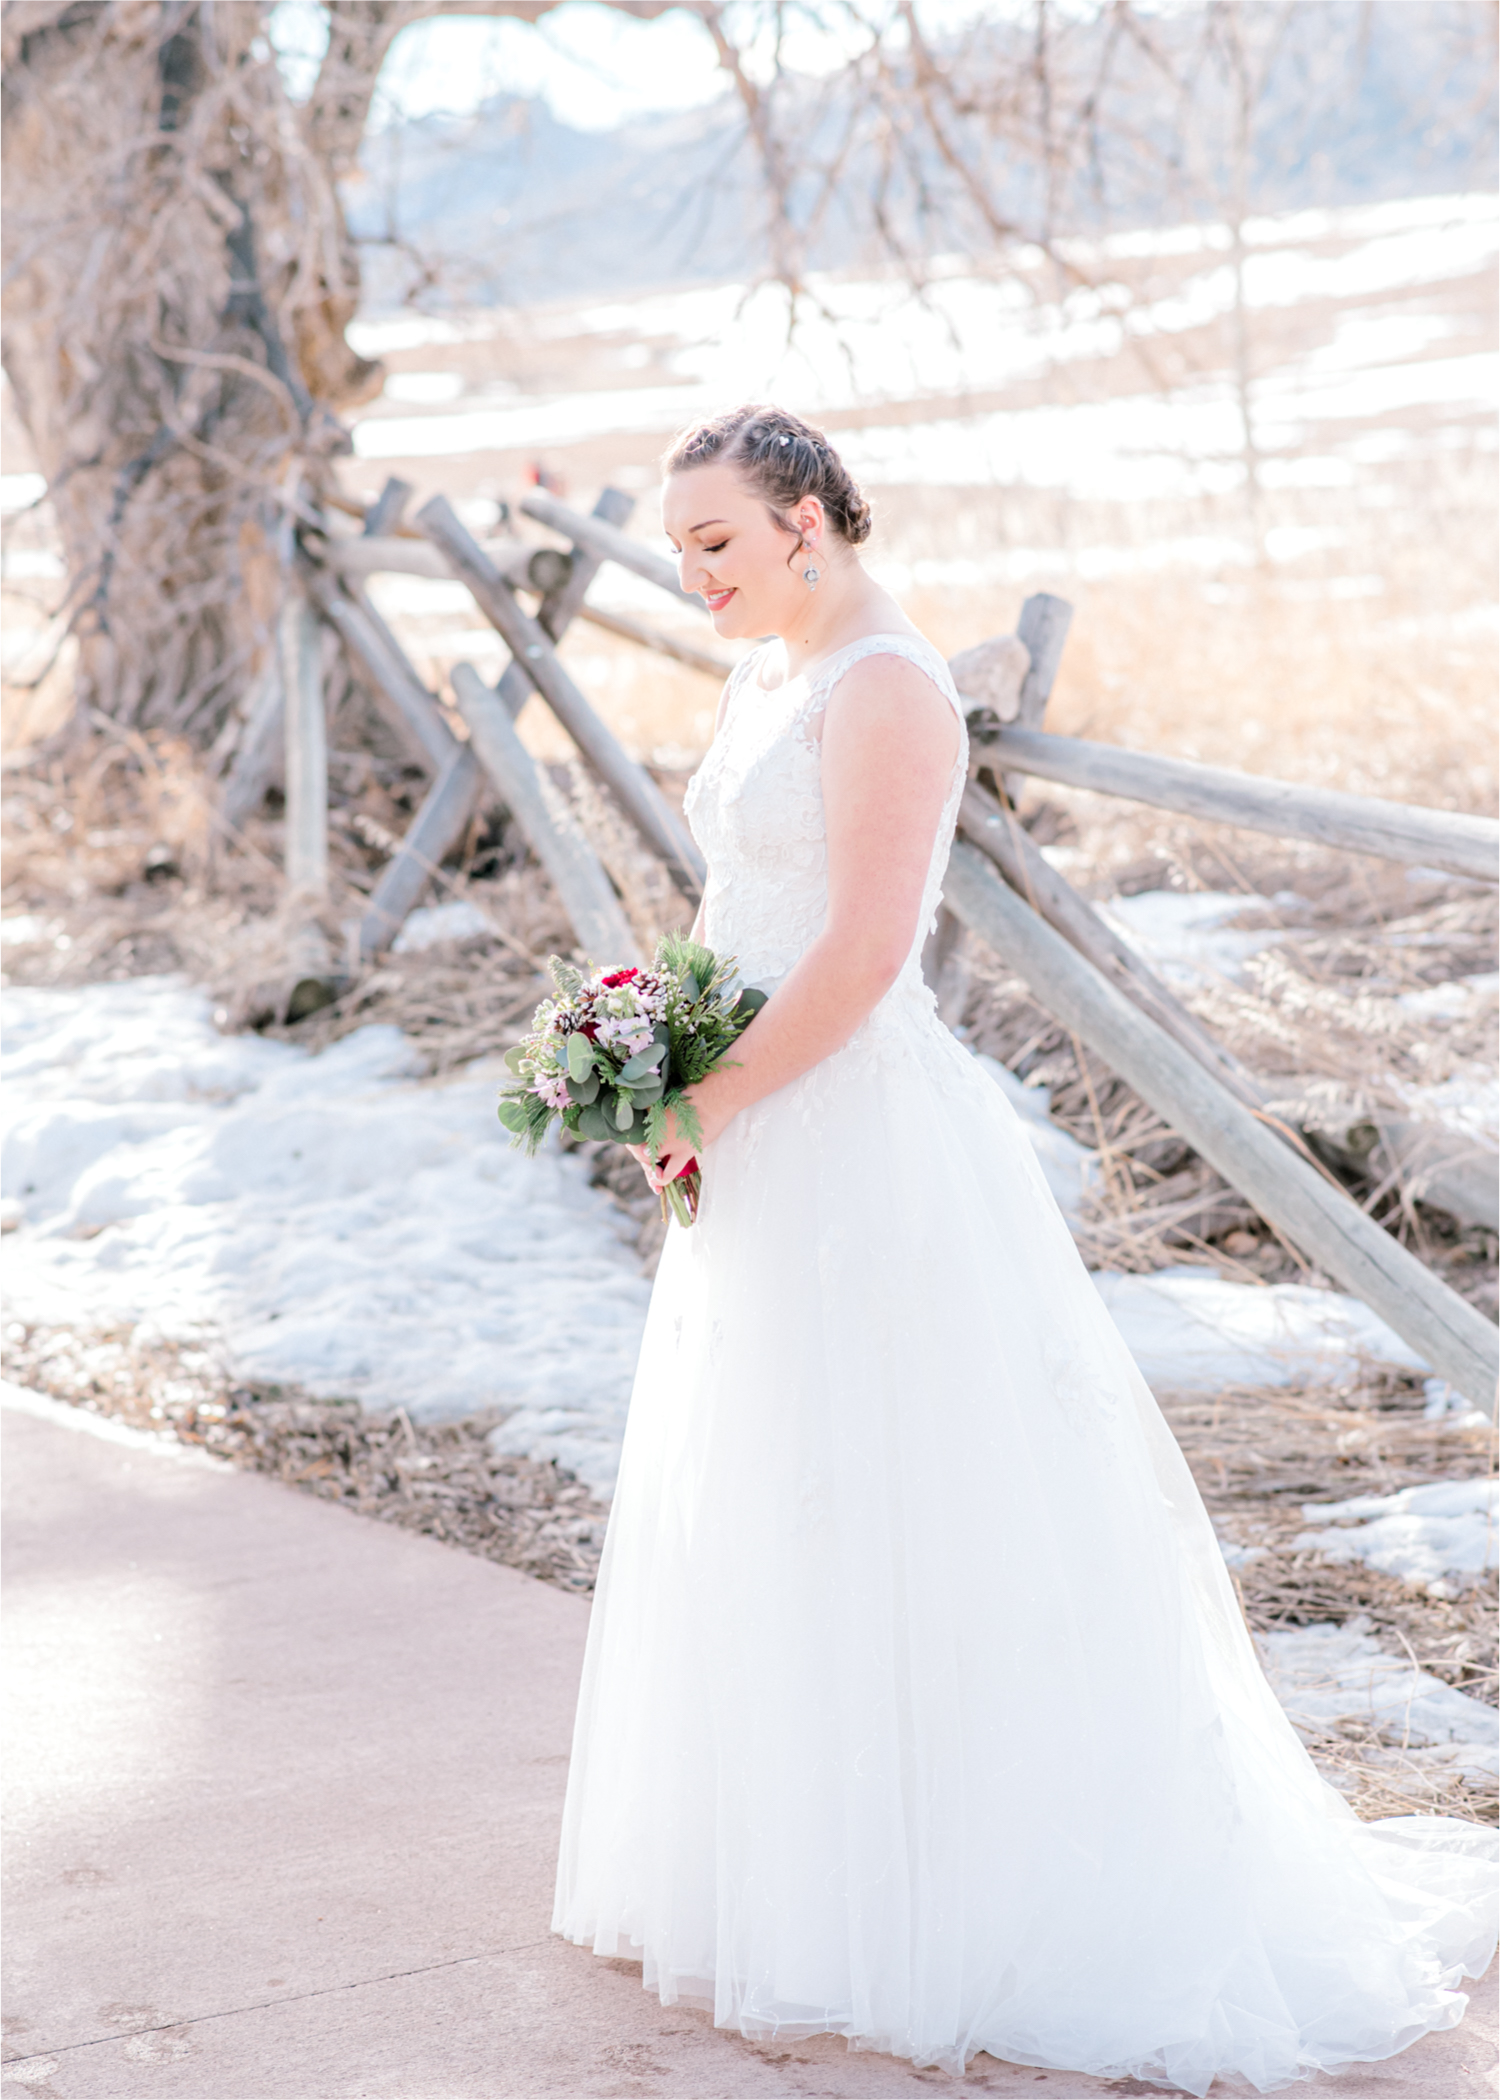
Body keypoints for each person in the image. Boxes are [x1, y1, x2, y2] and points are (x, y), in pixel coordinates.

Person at [552, 403, 1496, 2093]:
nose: (692, 572)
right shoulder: (771, 668)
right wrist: (660, 1048)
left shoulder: (886, 686)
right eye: (681, 545)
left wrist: (710, 1098)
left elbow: (863, 954)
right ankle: (811, 1875)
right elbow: (737, 913)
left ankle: (973, 1892)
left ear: (808, 523)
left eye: (716, 541)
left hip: (855, 1136)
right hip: (758, 1126)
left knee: (913, 1494)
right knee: (781, 1482)